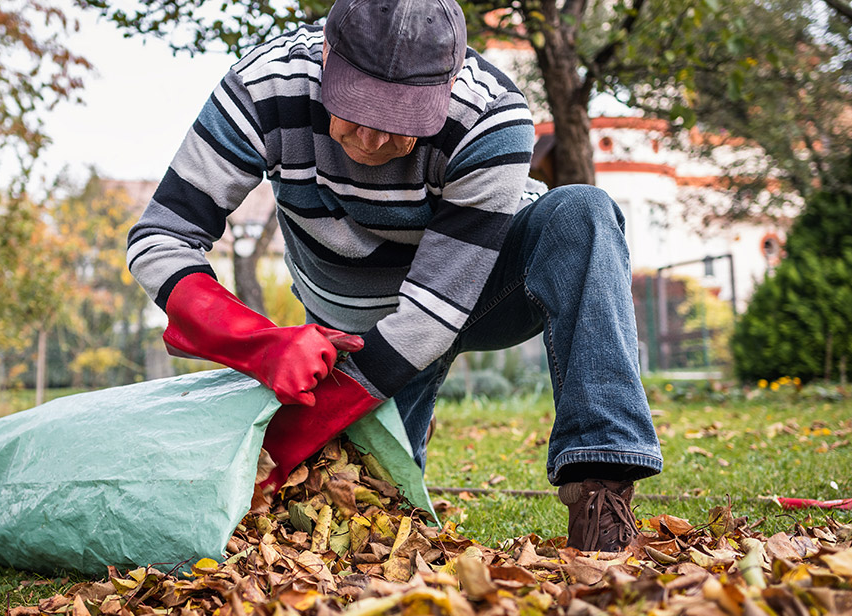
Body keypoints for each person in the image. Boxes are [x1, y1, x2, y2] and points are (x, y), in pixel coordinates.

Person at [127, 0, 662, 552]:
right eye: (356, 109)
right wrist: (255, 341)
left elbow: (431, 315)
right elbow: (160, 238)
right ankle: (404, 423)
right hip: (351, 323)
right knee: (364, 505)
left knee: (584, 215)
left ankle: (601, 486)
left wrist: (334, 410)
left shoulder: (492, 116)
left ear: (450, 81)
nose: (373, 140)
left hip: (477, 284)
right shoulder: (264, 83)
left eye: (403, 120)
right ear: (328, 58)